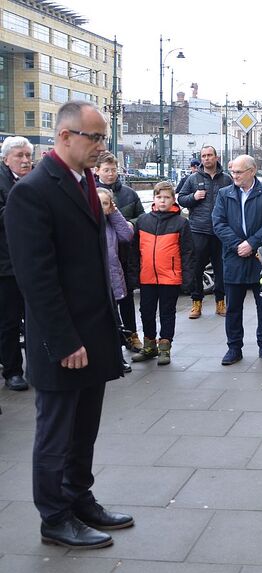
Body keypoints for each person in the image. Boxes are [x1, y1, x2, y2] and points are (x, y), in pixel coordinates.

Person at [6, 100, 132, 549]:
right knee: (56, 433)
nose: (102, 147)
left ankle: (80, 499)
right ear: (64, 137)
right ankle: (55, 518)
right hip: (62, 340)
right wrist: (63, 340)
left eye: (103, 138)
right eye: (94, 138)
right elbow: (35, 278)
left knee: (85, 428)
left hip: (94, 334)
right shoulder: (33, 191)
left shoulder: (84, 183)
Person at [212, 155, 262, 366]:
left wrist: (251, 243)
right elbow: (218, 222)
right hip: (234, 258)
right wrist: (237, 245)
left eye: (239, 172)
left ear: (252, 170)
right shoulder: (224, 194)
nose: (234, 176)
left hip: (260, 259)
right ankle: (234, 348)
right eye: (233, 171)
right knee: (233, 307)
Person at [130, 182, 194, 366]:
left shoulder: (181, 223)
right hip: (147, 277)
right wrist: (134, 276)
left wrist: (187, 279)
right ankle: (150, 345)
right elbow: (135, 251)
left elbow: (188, 253)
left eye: (166, 197)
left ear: (173, 200)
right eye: (159, 197)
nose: (162, 200)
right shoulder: (143, 221)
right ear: (154, 199)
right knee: (146, 312)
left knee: (167, 313)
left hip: (170, 277)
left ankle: (165, 346)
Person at [95, 151, 144, 353]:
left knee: (126, 297)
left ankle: (132, 334)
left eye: (113, 170)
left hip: (125, 253)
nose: (111, 174)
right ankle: (112, 339)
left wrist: (126, 224)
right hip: (103, 254)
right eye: (106, 170)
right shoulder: (89, 192)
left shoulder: (129, 194)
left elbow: (141, 217)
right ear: (96, 171)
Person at [178, 145, 232, 319]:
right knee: (197, 268)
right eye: (204, 156)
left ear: (216, 157)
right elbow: (181, 198)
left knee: (221, 268)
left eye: (210, 155)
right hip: (199, 229)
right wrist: (193, 197)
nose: (207, 158)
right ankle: (196, 303)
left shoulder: (226, 179)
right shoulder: (193, 179)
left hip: (221, 231)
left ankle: (220, 302)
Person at [0, 136, 33, 392]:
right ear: (6, 158)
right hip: (6, 265)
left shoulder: (33, 181)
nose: (25, 160)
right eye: (19, 156)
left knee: (34, 317)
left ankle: (35, 366)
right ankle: (12, 370)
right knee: (9, 321)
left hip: (32, 263)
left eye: (27, 156)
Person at [96, 188, 135, 373]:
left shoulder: (112, 224)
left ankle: (116, 358)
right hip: (94, 281)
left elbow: (126, 235)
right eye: (97, 203)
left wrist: (115, 213)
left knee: (114, 320)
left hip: (112, 277)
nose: (100, 207)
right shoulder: (87, 224)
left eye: (105, 203)